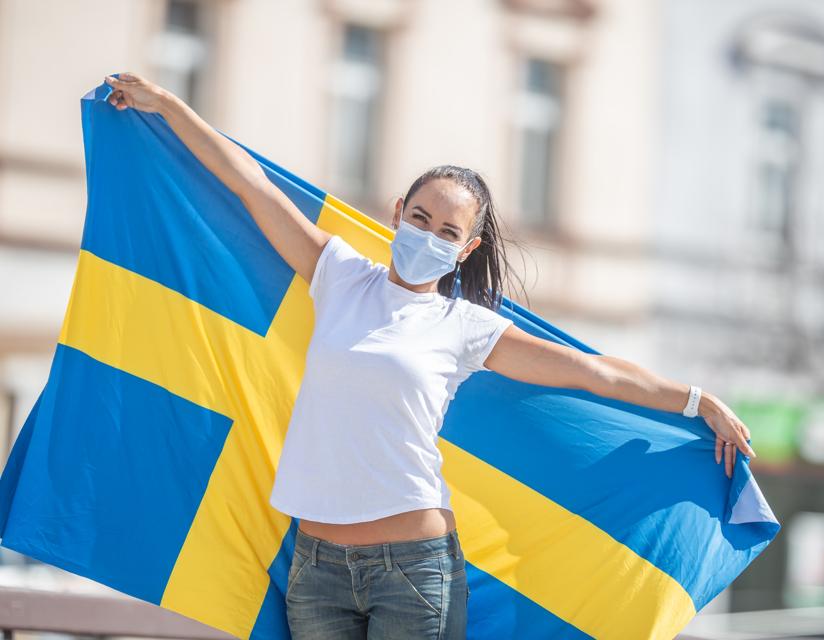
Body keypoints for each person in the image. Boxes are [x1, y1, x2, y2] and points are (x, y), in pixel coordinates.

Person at [103, 72, 757, 640]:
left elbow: (595, 372)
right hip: (314, 565)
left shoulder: (464, 327)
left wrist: (699, 402)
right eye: (419, 218)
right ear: (396, 213)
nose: (427, 236)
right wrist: (164, 104)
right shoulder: (339, 276)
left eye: (447, 231)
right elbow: (252, 187)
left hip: (413, 571)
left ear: (466, 250)